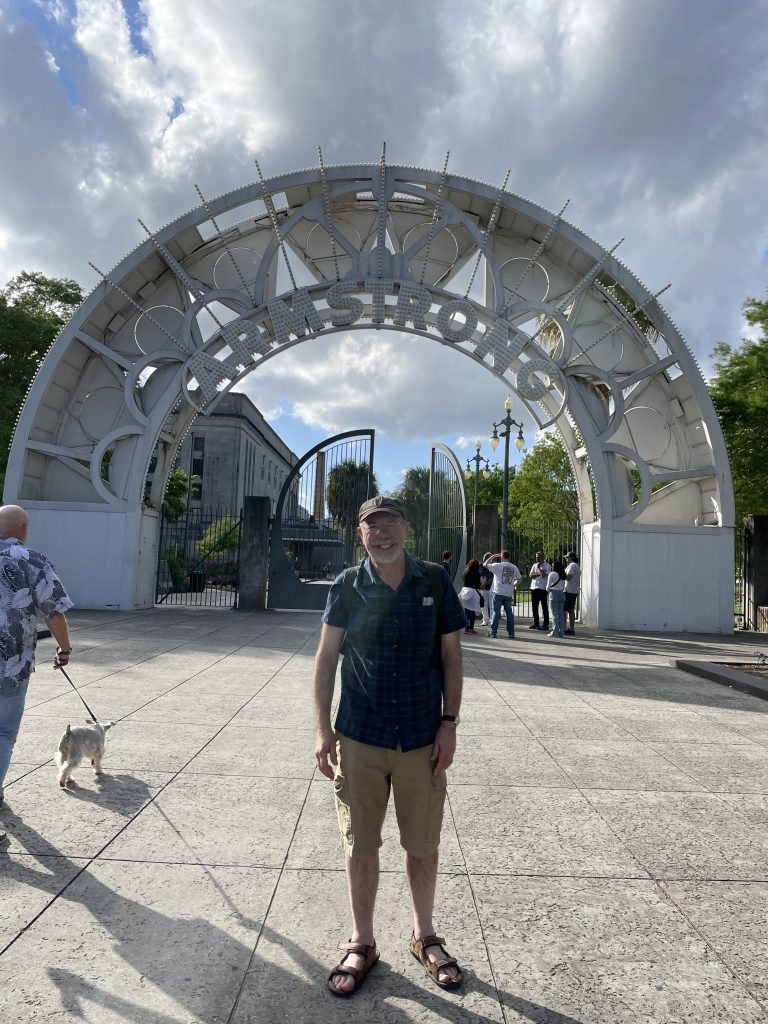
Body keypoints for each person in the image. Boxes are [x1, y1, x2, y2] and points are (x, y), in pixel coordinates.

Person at [313, 496, 466, 996]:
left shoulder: (435, 581)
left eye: (391, 525)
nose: (382, 535)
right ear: (360, 534)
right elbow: (326, 659)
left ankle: (424, 935)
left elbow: (451, 656)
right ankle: (363, 941)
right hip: (360, 735)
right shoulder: (347, 586)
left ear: (406, 529)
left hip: (422, 736)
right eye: (371, 527)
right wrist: (322, 729)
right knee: (360, 842)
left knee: (422, 844)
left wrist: (450, 723)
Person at [0, 505, 73, 847]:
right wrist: (65, 649)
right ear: (24, 528)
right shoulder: (31, 561)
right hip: (10, 664)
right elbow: (53, 612)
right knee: (2, 733)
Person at [483, 551, 522, 638]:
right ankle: (511, 633)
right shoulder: (514, 567)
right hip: (508, 593)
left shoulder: (498, 566)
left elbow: (485, 564)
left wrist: (493, 556)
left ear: (502, 557)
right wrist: (513, 585)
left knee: (496, 612)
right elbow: (519, 579)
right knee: (509, 614)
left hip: (498, 592)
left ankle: (493, 632)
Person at [528, 551, 551, 630]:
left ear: (542, 557)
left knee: (544, 607)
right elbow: (531, 575)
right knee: (534, 607)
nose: (536, 558)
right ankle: (536, 623)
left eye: (538, 557)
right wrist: (539, 573)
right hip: (534, 588)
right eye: (536, 557)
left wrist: (538, 570)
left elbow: (544, 575)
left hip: (542, 588)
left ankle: (545, 624)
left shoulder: (547, 566)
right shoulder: (534, 565)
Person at [458, 559, 483, 634]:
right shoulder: (478, 574)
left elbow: (463, 579)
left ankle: (466, 628)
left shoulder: (466, 572)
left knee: (467, 611)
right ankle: (471, 628)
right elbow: (482, 582)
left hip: (465, 591)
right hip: (474, 592)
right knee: (472, 611)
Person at [546, 559, 566, 638]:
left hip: (554, 594)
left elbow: (547, 587)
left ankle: (555, 631)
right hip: (561, 593)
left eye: (552, 565)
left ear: (555, 567)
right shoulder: (563, 574)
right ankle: (561, 631)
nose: (551, 566)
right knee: (560, 614)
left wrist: (548, 589)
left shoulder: (552, 574)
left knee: (555, 614)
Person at [563, 552, 581, 636]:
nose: (566, 559)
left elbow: (568, 577)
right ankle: (569, 628)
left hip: (570, 590)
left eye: (567, 558)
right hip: (572, 590)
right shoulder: (575, 566)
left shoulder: (572, 565)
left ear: (571, 558)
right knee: (570, 609)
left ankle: (568, 628)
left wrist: (560, 574)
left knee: (567, 610)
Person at [478, 552, 493, 628]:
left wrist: (485, 583)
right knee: (483, 605)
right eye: (484, 556)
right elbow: (478, 575)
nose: (484, 557)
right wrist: (481, 584)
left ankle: (491, 621)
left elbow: (493, 578)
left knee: (491, 605)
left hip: (491, 588)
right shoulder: (480, 567)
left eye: (487, 556)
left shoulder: (492, 566)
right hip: (482, 589)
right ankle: (485, 620)